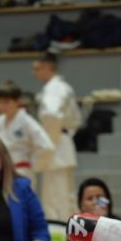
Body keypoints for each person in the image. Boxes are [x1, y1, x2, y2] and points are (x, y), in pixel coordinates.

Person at [33, 53, 82, 220]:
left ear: (48, 67)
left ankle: (60, 233)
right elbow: (76, 119)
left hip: (56, 145)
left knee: (55, 199)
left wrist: (48, 143)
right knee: (65, 197)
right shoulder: (62, 87)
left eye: (37, 69)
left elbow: (51, 114)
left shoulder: (54, 88)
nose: (34, 73)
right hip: (62, 141)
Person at [0, 81, 54, 179]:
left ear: (17, 101)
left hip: (22, 170)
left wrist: (34, 166)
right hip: (1, 171)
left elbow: (46, 146)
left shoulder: (27, 121)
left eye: (6, 102)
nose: (2, 106)